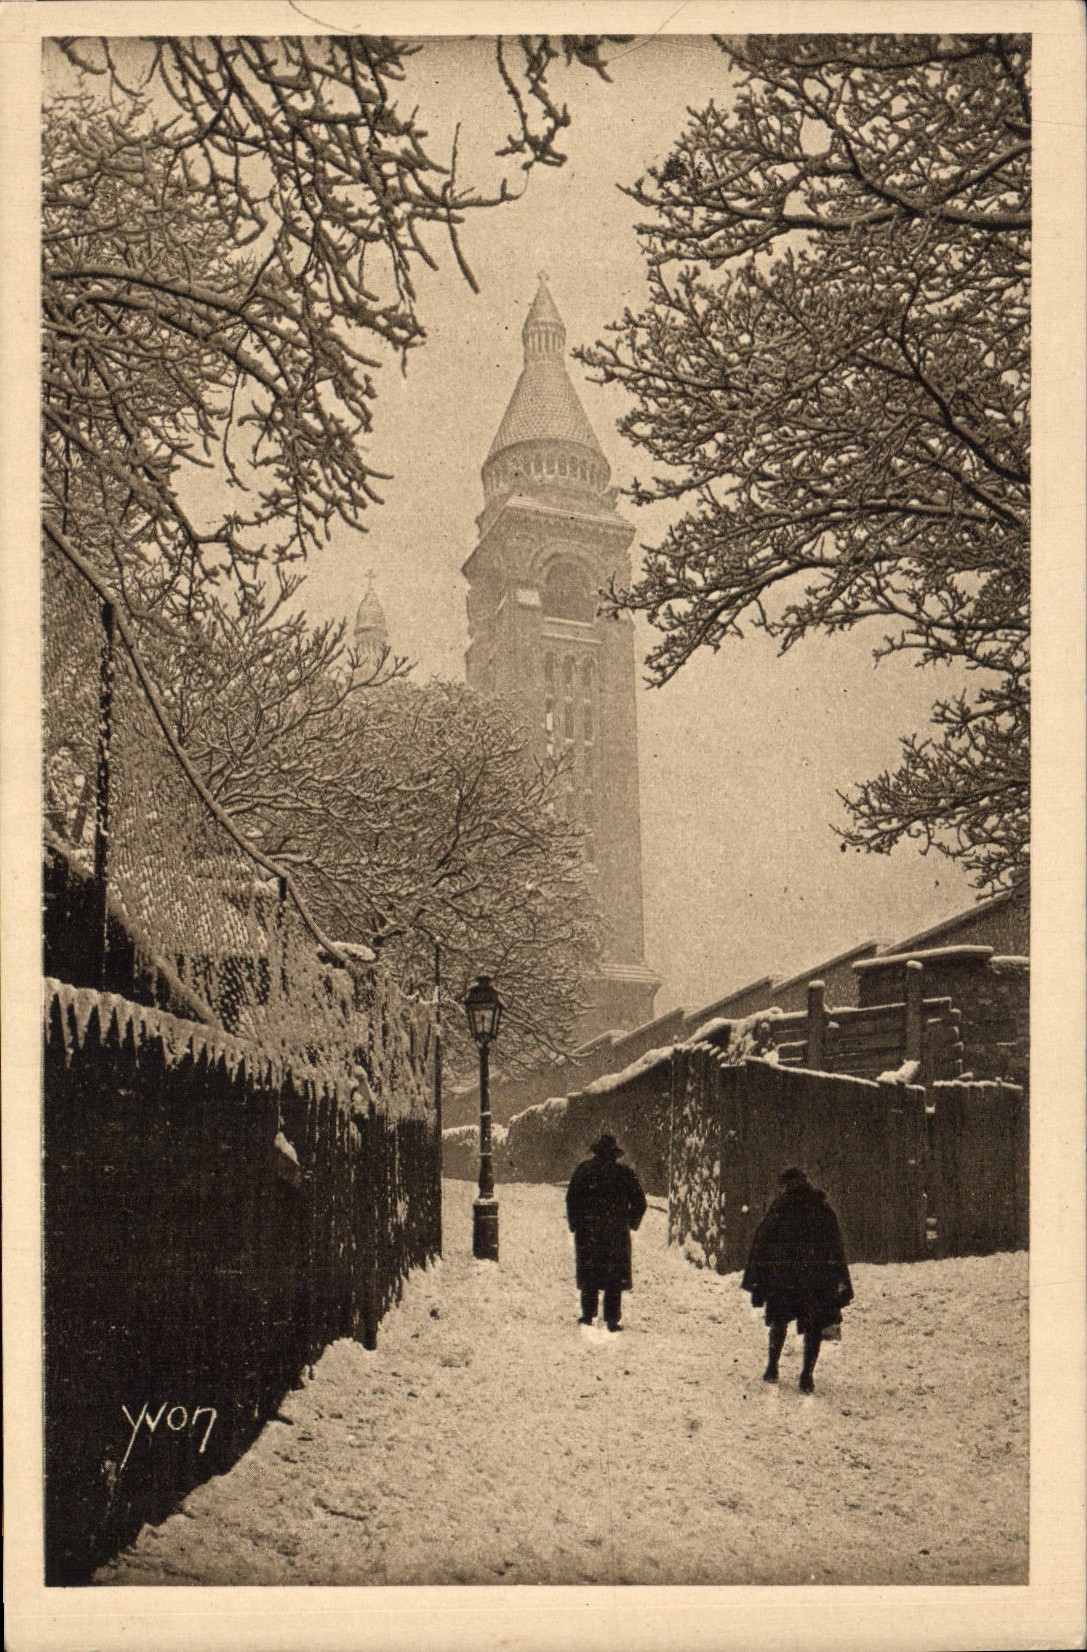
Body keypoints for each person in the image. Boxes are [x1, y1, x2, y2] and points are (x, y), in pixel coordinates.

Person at [741, 1167, 853, 1392]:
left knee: (779, 1322)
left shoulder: (780, 1207)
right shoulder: (821, 1208)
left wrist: (757, 1280)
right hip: (815, 1280)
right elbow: (835, 1245)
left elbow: (761, 1241)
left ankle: (772, 1367)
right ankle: (807, 1376)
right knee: (813, 1327)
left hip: (784, 1278)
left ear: (786, 1185)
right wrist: (841, 1279)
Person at [565, 1132, 647, 1332]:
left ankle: (588, 1314)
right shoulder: (625, 1174)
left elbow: (571, 1199)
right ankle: (611, 1319)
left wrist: (576, 1224)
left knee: (590, 1273)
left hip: (589, 1231)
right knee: (613, 1277)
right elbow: (640, 1202)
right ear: (614, 1154)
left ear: (596, 1152)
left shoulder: (584, 1171)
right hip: (615, 1232)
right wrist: (629, 1221)